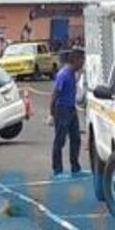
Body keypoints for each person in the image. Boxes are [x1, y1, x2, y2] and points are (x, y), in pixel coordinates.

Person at [50, 49, 86, 178]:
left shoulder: (74, 74)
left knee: (75, 138)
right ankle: (57, 170)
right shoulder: (64, 74)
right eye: (82, 60)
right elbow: (55, 94)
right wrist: (52, 113)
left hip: (71, 109)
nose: (83, 63)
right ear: (75, 60)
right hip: (62, 109)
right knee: (60, 141)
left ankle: (75, 167)